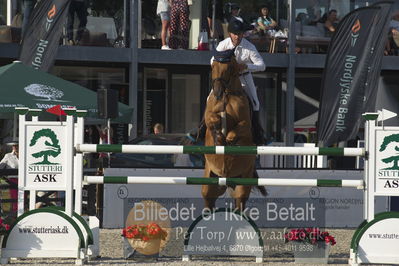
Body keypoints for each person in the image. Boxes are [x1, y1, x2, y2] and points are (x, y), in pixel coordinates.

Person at [209, 20, 266, 144]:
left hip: (243, 77)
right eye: (235, 34)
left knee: (255, 103)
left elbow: (262, 66)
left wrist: (246, 66)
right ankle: (202, 126)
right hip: (225, 79)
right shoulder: (223, 44)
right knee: (209, 99)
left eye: (240, 33)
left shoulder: (249, 47)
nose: (237, 36)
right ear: (230, 34)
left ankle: (257, 132)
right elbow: (212, 60)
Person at [0, 140, 19, 213]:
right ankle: (15, 213)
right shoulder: (8, 156)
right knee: (15, 198)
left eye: (16, 145)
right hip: (12, 180)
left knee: (25, 198)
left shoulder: (25, 155)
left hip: (24, 180)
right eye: (13, 146)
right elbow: (1, 166)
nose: (15, 147)